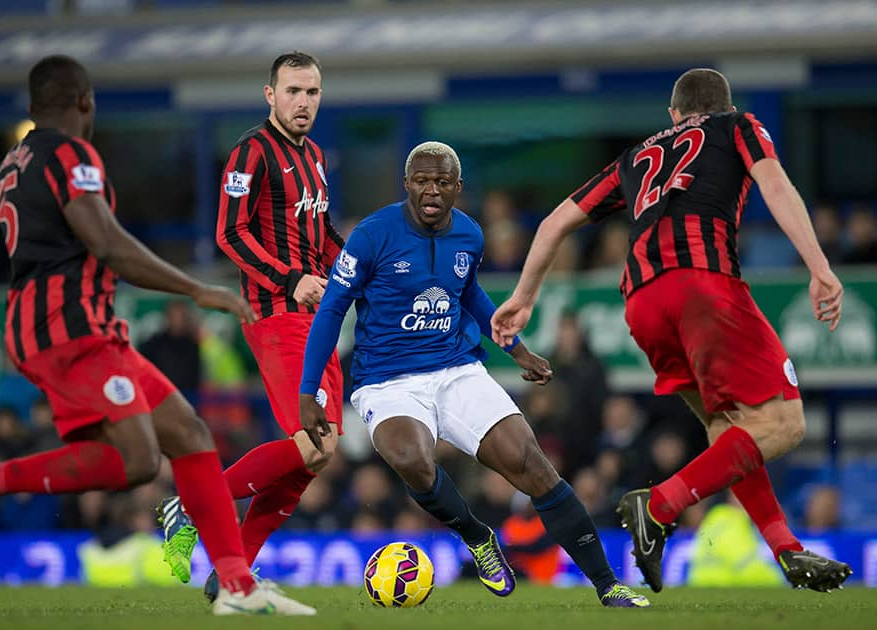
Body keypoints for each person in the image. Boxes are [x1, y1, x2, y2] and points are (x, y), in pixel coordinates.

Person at [0, 54, 313, 616]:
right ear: (85, 102)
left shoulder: (11, 168)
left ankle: (236, 584)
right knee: (138, 462)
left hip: (84, 330)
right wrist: (195, 289)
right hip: (61, 331)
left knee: (188, 432)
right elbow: (108, 243)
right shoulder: (71, 155)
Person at [491, 68, 852, 594]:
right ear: (722, 104)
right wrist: (819, 265)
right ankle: (657, 506)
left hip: (640, 302)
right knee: (784, 423)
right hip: (703, 286)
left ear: (673, 114)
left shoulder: (634, 157)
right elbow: (774, 183)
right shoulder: (738, 126)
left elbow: (553, 224)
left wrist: (523, 298)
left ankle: (786, 550)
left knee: (728, 427)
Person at [298, 141, 649, 608]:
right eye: (421, 180)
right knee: (413, 460)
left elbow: (469, 294)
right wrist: (309, 389)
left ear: (457, 188)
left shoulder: (469, 234)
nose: (431, 190)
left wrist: (517, 350)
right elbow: (330, 312)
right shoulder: (370, 235)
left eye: (442, 182)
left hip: (457, 370)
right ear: (407, 184)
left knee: (533, 466)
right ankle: (478, 537)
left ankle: (610, 585)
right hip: (387, 380)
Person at [157, 51, 345, 601]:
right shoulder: (250, 151)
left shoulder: (315, 156)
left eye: (311, 92)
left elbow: (322, 229)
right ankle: (190, 506)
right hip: (277, 313)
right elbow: (230, 234)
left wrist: (359, 268)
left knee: (321, 451)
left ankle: (230, 575)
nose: (303, 102)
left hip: (318, 316)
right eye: (292, 91)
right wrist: (290, 280)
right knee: (312, 441)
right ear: (270, 95)